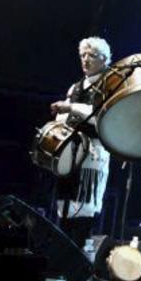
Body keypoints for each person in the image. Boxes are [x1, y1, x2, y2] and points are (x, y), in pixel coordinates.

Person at [48, 37, 112, 249]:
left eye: (91, 56)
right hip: (71, 152)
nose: (85, 60)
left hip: (93, 153)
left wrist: (71, 108)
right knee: (64, 205)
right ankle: (62, 259)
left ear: (104, 59)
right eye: (83, 55)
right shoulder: (75, 87)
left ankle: (79, 262)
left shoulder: (109, 83)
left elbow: (102, 117)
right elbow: (65, 117)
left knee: (85, 206)